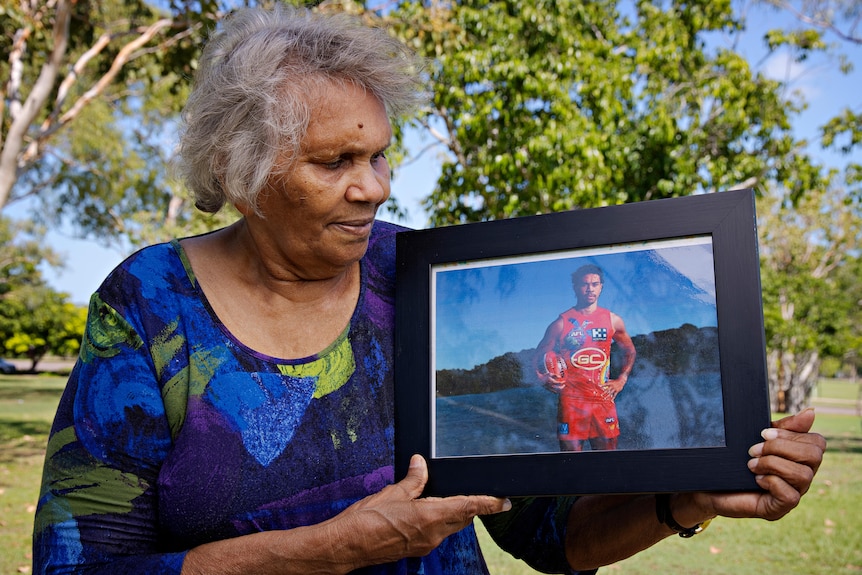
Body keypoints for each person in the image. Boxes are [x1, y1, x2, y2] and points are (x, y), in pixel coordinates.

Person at [33, 5, 826, 575]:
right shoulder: (149, 303)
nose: (373, 188)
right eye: (335, 163)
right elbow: (79, 567)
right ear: (241, 175)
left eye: (379, 155)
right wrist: (328, 551)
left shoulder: (417, 277)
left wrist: (685, 499)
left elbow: (545, 530)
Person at [535, 265, 636, 451]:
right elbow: (539, 354)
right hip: (571, 402)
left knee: (608, 463)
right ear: (575, 287)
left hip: (603, 400)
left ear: (601, 287)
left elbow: (629, 350)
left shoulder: (612, 320)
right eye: (584, 284)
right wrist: (543, 378)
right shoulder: (561, 322)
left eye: (595, 284)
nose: (590, 288)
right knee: (571, 466)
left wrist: (622, 379)